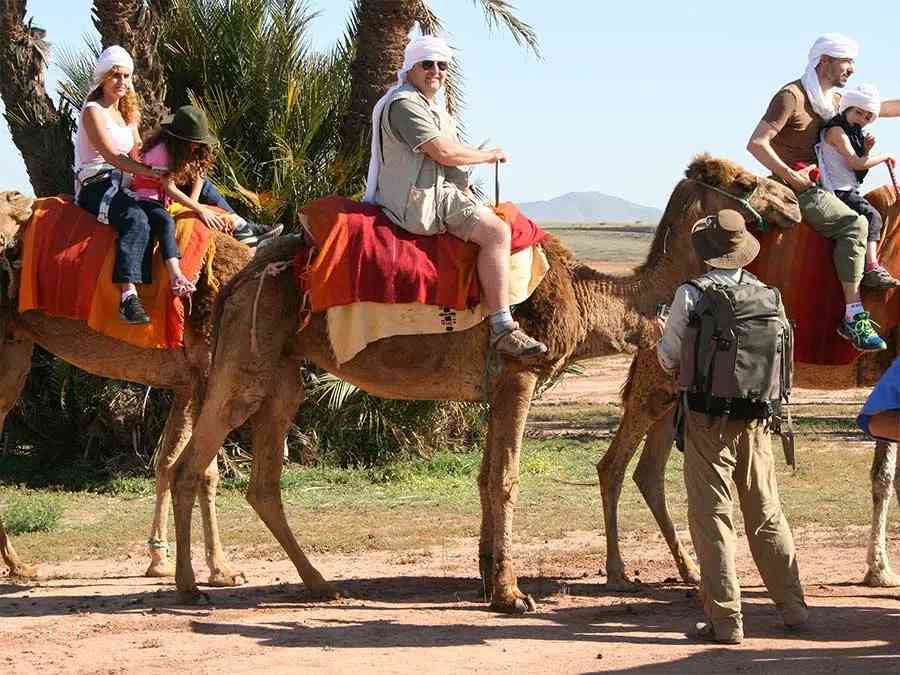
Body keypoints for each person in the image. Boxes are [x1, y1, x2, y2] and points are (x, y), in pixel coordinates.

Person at [657, 210, 808, 645]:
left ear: (706, 252)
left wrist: (663, 338)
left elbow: (669, 359)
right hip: (758, 419)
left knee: (712, 517)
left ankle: (726, 621)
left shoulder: (692, 294)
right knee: (766, 512)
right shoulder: (769, 295)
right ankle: (793, 608)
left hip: (707, 420)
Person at [364, 34, 547, 360]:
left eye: (442, 65)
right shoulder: (405, 104)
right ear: (410, 69)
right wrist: (489, 155)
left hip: (438, 191)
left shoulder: (431, 106)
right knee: (497, 232)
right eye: (427, 64)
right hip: (419, 201)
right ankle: (502, 326)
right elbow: (443, 152)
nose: (435, 70)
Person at [747, 33, 900, 352]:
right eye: (847, 62)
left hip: (823, 185)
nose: (852, 69)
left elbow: (881, 108)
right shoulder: (792, 96)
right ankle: (854, 318)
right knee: (854, 224)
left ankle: (868, 272)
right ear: (825, 61)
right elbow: (756, 143)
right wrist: (791, 175)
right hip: (792, 188)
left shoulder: (832, 101)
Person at [73, 46, 188, 324]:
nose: (121, 82)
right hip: (96, 184)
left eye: (126, 76)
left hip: (126, 184)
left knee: (159, 217)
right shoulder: (93, 111)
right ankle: (128, 297)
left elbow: (138, 151)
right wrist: (151, 170)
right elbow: (115, 157)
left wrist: (172, 159)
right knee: (135, 219)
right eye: (115, 75)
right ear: (102, 77)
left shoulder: (127, 115)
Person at [132, 105, 283, 251]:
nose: (197, 146)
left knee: (207, 188)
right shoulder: (162, 153)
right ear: (180, 140)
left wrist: (194, 203)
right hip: (158, 195)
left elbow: (200, 173)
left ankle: (247, 229)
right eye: (194, 142)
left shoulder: (195, 147)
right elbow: (169, 187)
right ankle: (250, 232)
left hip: (177, 187)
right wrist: (198, 209)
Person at [817, 84, 899, 288]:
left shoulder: (852, 133)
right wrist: (883, 157)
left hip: (848, 188)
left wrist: (867, 150)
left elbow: (857, 171)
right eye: (858, 112)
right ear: (847, 108)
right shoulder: (836, 131)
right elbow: (856, 164)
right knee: (873, 217)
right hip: (838, 191)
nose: (862, 119)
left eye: (867, 116)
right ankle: (871, 268)